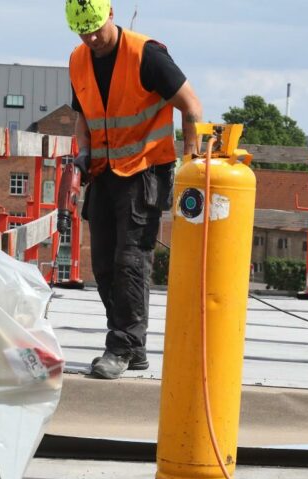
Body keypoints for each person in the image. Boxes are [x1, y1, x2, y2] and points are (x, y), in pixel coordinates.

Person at [65, 0, 203, 379]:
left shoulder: (147, 55)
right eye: (83, 31)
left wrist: (190, 162)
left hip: (145, 171)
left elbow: (191, 106)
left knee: (131, 261)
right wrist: (83, 155)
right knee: (104, 265)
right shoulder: (78, 60)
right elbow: (82, 116)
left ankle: (121, 346)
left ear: (110, 14)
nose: (91, 37)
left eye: (96, 27)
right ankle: (133, 346)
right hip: (104, 172)